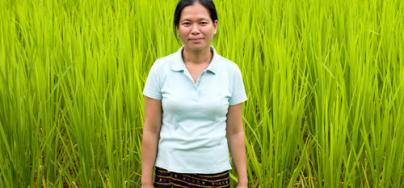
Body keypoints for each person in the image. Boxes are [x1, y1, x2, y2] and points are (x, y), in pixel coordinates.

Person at [141, 0, 248, 187]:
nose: (195, 30)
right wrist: (145, 181)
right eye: (187, 23)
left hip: (215, 175)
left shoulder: (230, 71)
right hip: (169, 174)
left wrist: (243, 181)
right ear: (177, 28)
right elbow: (151, 130)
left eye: (203, 22)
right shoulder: (161, 69)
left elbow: (235, 131)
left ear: (215, 26)